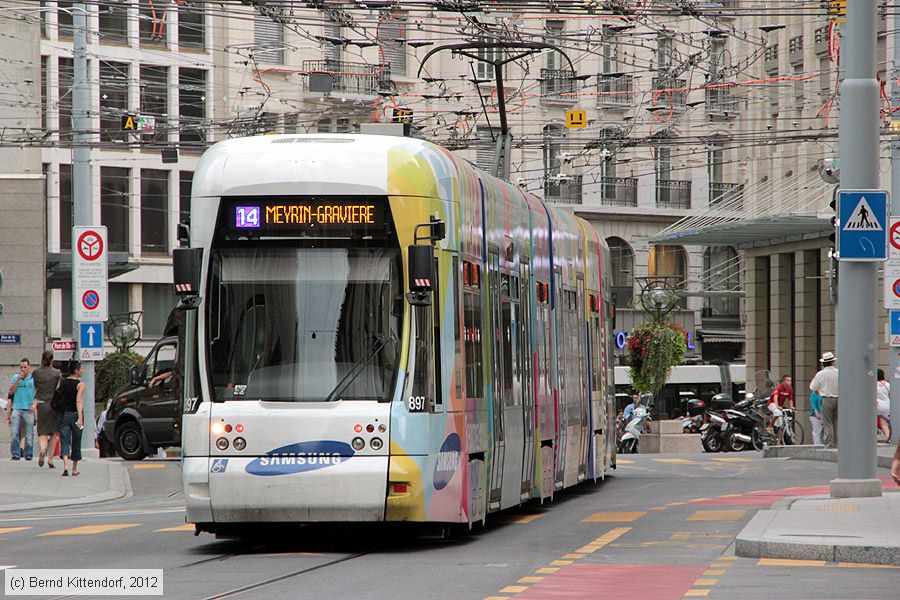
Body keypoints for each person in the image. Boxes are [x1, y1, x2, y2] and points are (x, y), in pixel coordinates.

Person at [32, 351, 61, 468]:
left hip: (41, 404)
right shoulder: (57, 373)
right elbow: (59, 389)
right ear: (52, 360)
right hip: (53, 405)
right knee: (54, 433)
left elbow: (34, 387)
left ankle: (43, 450)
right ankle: (50, 459)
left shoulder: (36, 373)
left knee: (42, 432)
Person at [57, 361, 86, 477]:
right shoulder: (80, 385)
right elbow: (79, 401)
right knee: (76, 441)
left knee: (64, 439)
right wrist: (80, 418)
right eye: (81, 368)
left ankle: (65, 466)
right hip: (75, 415)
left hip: (64, 415)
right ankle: (74, 468)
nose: (83, 370)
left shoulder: (62, 382)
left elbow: (58, 395)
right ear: (76, 371)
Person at [7, 358, 35, 460]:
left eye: (25, 367)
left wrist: (34, 405)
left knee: (29, 433)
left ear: (29, 367)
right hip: (17, 407)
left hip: (28, 408)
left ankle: (28, 454)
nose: (23, 369)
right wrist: (18, 380)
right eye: (21, 367)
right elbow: (11, 392)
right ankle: (15, 453)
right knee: (15, 432)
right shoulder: (15, 377)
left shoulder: (33, 379)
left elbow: (37, 392)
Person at [810, 352, 839, 448]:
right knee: (836, 422)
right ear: (833, 362)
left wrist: (820, 390)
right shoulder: (838, 372)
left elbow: (813, 387)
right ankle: (837, 444)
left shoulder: (821, 374)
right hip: (838, 399)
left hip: (826, 399)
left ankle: (829, 444)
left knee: (828, 423)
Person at [768, 375, 794, 440]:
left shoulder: (790, 389)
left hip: (779, 405)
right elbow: (775, 397)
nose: (789, 382)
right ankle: (770, 426)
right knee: (777, 413)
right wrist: (777, 406)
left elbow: (790, 399)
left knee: (781, 424)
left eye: (790, 380)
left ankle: (778, 442)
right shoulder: (779, 388)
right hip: (772, 403)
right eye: (788, 380)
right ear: (784, 381)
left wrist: (791, 407)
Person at [876, 368, 891, 440]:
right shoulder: (888, 384)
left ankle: (887, 437)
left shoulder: (874, 385)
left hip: (878, 405)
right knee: (887, 422)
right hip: (888, 405)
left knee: (883, 423)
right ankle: (889, 436)